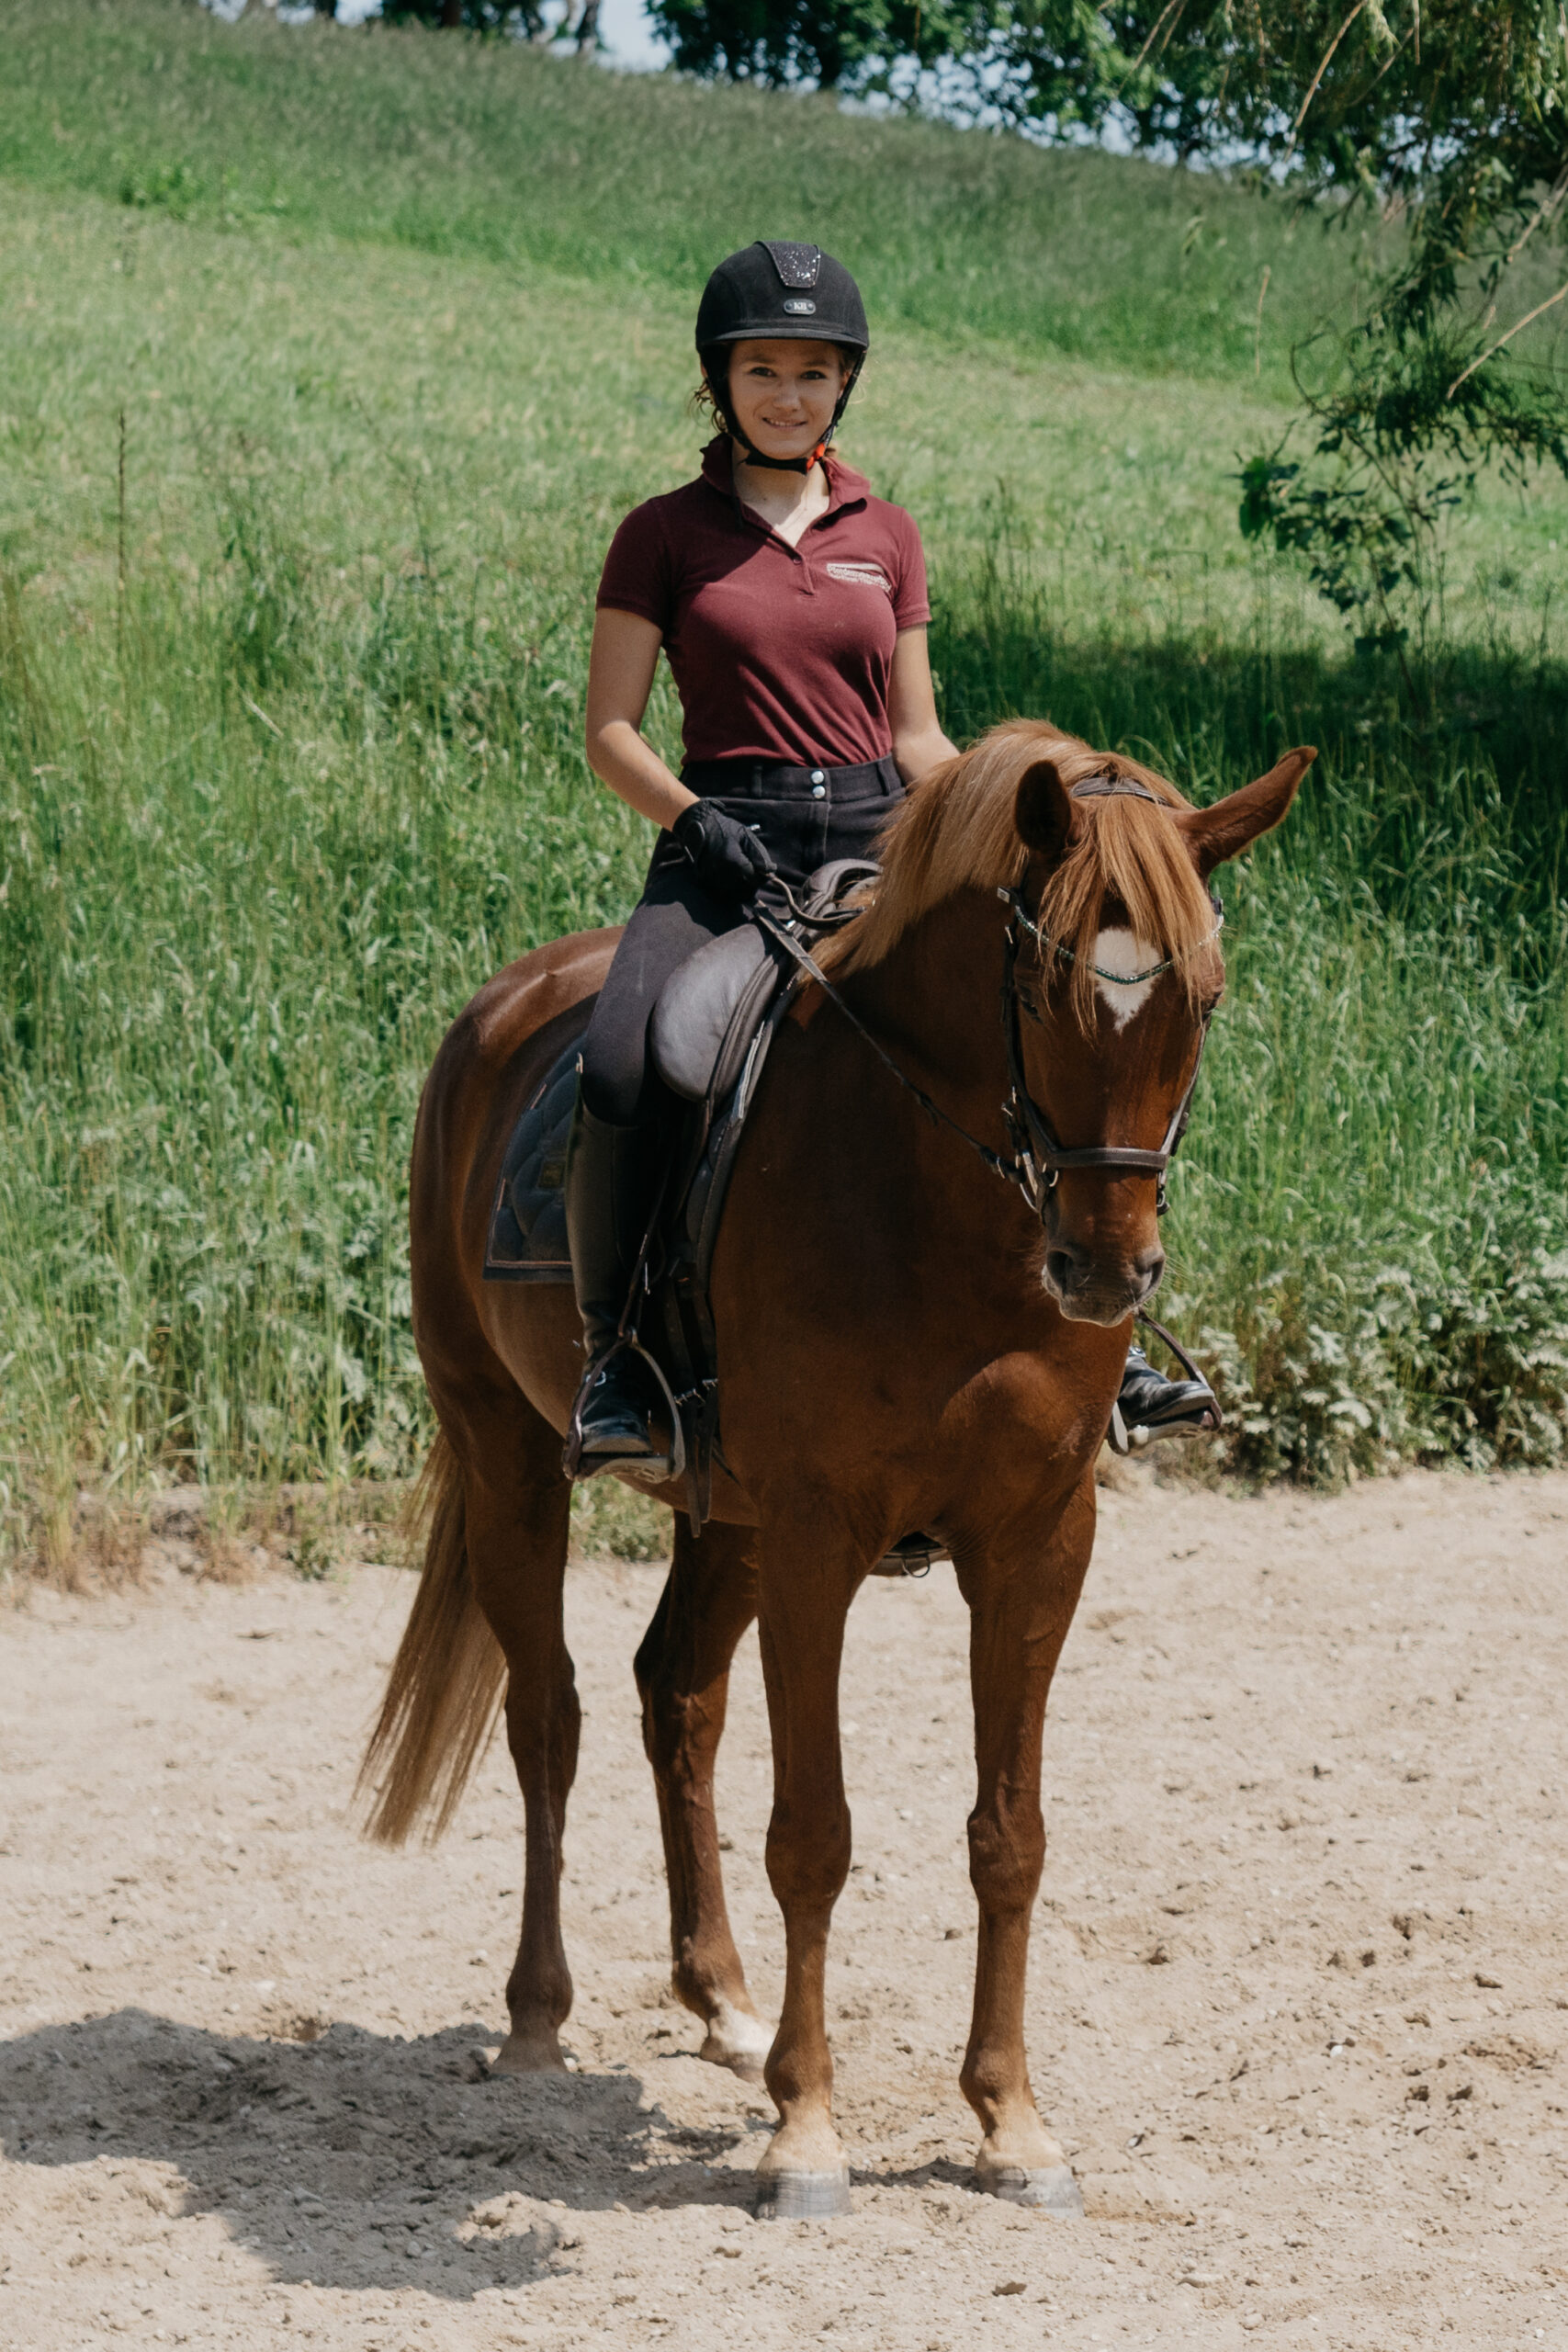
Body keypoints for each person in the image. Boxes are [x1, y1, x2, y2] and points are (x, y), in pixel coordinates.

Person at [568, 238, 1215, 1470]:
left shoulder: (889, 533)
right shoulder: (661, 535)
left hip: (881, 843)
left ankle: (1109, 1342)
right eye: (763, 370)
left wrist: (1035, 822)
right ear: (720, 381)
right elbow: (609, 730)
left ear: (842, 386)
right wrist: (692, 819)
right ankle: (617, 1363)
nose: (789, 393)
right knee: (622, 1059)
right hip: (724, 852)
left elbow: (918, 736)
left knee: (1053, 1028)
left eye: (814, 372)